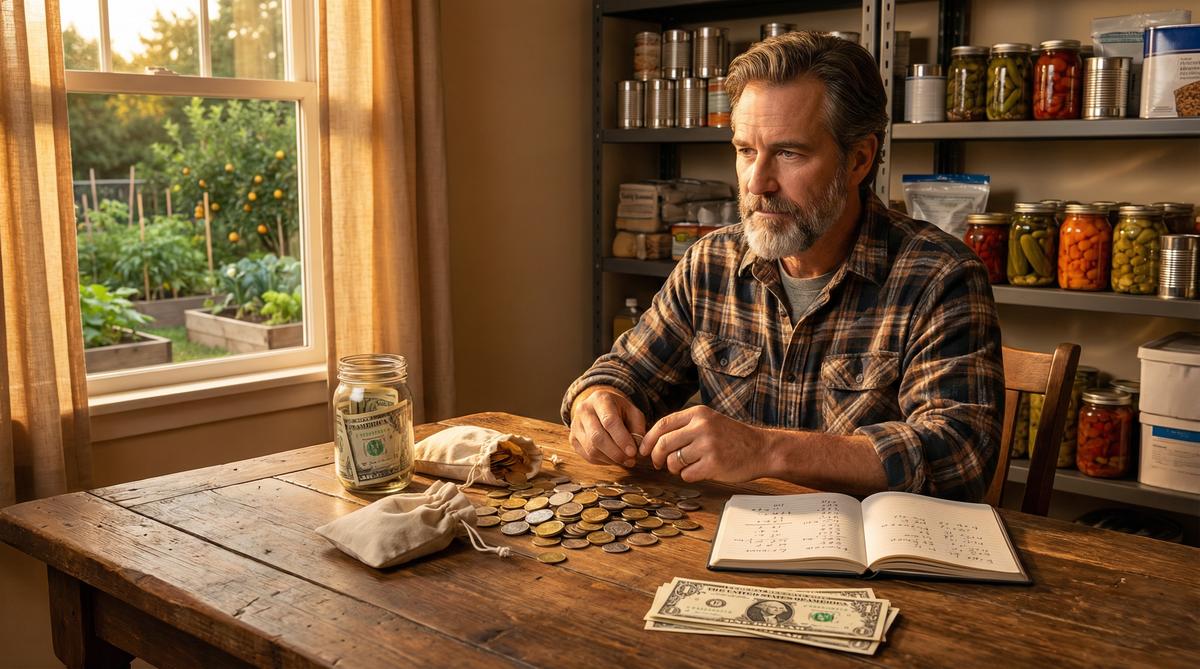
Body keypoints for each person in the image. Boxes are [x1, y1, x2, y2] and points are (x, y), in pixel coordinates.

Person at [562, 31, 1003, 502]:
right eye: (745, 150)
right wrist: (598, 401)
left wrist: (765, 449)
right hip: (724, 545)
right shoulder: (710, 263)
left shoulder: (940, 276)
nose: (757, 182)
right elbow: (626, 373)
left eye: (789, 153)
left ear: (858, 160)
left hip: (874, 565)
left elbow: (959, 455)